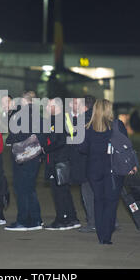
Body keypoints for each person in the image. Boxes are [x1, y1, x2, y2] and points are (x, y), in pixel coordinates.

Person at [79, 99, 134, 245]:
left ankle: (100, 234)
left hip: (94, 170)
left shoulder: (87, 128)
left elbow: (82, 149)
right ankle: (106, 236)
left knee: (98, 200)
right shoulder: (117, 125)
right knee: (111, 202)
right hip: (113, 170)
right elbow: (126, 146)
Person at [4, 91, 46, 231]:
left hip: (23, 157)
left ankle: (23, 221)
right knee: (30, 189)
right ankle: (35, 220)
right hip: (35, 157)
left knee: (21, 189)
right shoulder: (38, 116)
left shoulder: (21, 115)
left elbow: (15, 135)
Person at [42, 98, 80, 231]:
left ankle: (62, 220)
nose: (46, 108)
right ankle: (72, 217)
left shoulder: (58, 120)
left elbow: (61, 141)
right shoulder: (65, 118)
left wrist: (44, 149)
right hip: (63, 160)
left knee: (59, 192)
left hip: (58, 161)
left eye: (48, 106)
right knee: (64, 191)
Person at [69, 96, 97, 233]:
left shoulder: (82, 120)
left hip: (85, 164)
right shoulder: (98, 118)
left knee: (88, 195)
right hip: (99, 163)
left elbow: (74, 141)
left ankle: (92, 222)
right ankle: (110, 221)